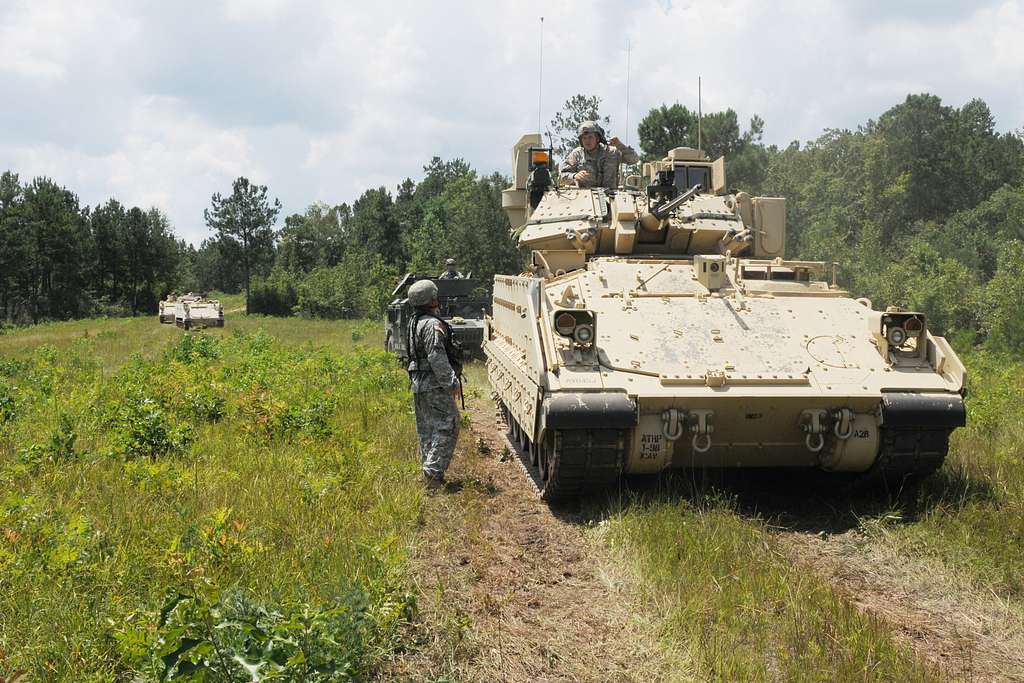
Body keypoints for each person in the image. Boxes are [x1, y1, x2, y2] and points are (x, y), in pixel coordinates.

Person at [406, 279, 461, 489]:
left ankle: (429, 469)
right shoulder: (431, 324)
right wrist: (451, 382)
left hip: (419, 382)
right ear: (431, 299)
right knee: (448, 424)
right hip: (433, 383)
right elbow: (436, 356)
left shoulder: (415, 322)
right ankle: (432, 473)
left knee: (427, 428)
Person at [560, 120, 639, 189]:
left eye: (590, 137)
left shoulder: (612, 152)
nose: (587, 141)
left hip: (611, 197)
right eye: (584, 138)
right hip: (585, 199)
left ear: (597, 138)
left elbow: (634, 160)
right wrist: (574, 176)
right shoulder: (577, 155)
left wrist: (620, 145)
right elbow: (561, 177)